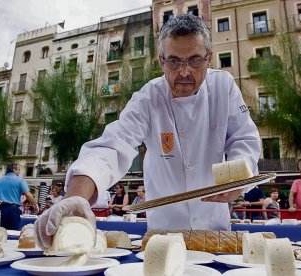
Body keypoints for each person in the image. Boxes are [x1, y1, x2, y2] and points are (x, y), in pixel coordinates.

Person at [34, 14, 260, 249]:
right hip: (162, 236)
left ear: (209, 58)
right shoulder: (148, 97)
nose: (184, 72)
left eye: (194, 60)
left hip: (215, 233)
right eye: (174, 61)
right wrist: (76, 198)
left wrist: (237, 180)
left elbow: (243, 139)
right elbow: (113, 145)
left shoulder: (224, 87)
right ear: (161, 60)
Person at [0, 163, 38, 230]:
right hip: (13, 210)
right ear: (14, 170)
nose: (19, 172)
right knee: (13, 233)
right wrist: (35, 205)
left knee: (0, 233)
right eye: (18, 170)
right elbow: (28, 194)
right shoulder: (20, 180)